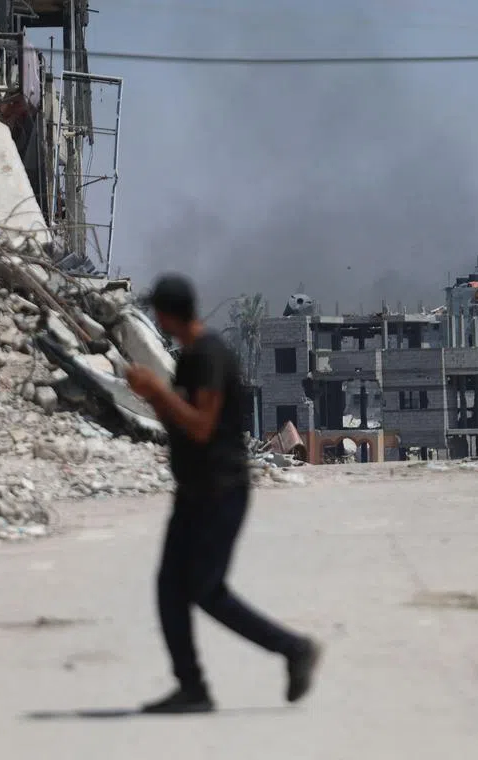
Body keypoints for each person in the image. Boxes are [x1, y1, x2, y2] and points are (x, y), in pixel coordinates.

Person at [125, 274, 322, 715]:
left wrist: (156, 390)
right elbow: (181, 421)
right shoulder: (191, 358)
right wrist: (152, 396)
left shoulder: (210, 356)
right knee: (170, 589)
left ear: (168, 313)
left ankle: (293, 649)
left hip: (220, 489)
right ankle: (191, 687)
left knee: (206, 590)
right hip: (194, 489)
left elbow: (201, 425)